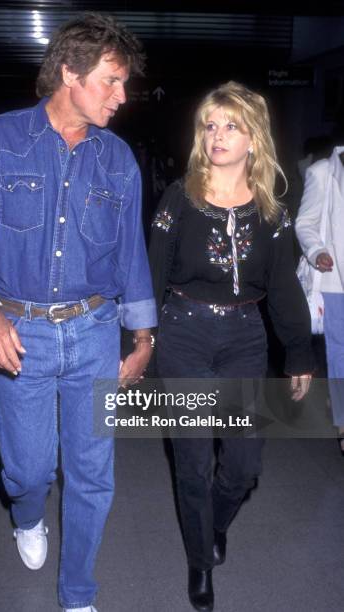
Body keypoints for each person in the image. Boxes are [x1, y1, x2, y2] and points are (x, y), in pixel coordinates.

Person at [0, 13, 156, 612]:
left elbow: (131, 255)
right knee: (29, 471)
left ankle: (77, 595)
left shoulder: (118, 159)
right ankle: (26, 512)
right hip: (19, 332)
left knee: (93, 475)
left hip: (93, 332)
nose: (122, 97)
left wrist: (142, 337)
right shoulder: (0, 139)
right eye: (111, 82)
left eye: (125, 85)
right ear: (69, 72)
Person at [148, 81, 313, 611]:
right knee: (193, 460)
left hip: (245, 338)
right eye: (210, 125)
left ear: (253, 139)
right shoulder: (181, 197)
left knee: (243, 465)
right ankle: (201, 561)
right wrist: (140, 337)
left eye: (231, 126)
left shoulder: (272, 212)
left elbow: (284, 286)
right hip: (185, 332)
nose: (217, 136)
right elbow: (151, 271)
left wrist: (298, 350)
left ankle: (213, 523)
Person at [295, 145, 344, 456]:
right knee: (340, 352)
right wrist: (316, 252)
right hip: (335, 280)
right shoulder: (323, 172)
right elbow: (305, 223)